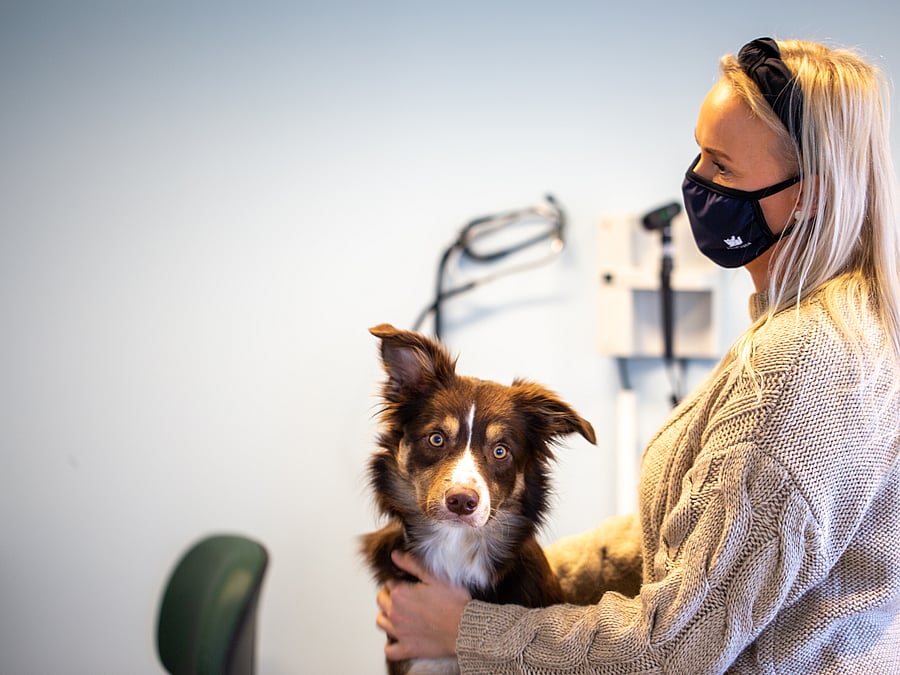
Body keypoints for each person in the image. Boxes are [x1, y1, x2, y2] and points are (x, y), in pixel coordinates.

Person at [374, 36, 900, 673]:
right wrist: (511, 572)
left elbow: (675, 646)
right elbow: (704, 543)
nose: (697, 184)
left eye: (722, 166)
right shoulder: (837, 329)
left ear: (810, 194)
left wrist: (469, 628)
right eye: (699, 155)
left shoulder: (801, 365)